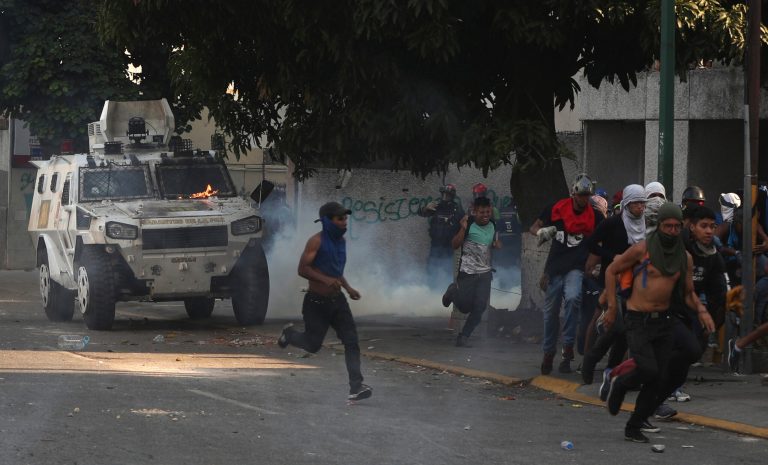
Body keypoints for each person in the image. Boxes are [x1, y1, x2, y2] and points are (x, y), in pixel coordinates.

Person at [601, 202, 712, 443]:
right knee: (648, 369)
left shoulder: (684, 258)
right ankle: (620, 384)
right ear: (659, 226)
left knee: (658, 377)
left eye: (676, 226)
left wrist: (702, 311)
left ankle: (633, 426)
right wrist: (611, 307)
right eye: (667, 226)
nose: (672, 231)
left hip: (664, 321)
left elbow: (688, 293)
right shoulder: (642, 250)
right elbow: (611, 271)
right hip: (638, 319)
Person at [277, 202, 372, 401]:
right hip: (316, 303)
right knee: (312, 345)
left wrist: (348, 287)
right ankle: (289, 334)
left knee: (351, 341)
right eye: (340, 219)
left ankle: (356, 386)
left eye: (345, 218)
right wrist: (326, 280)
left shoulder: (341, 242)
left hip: (338, 301)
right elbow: (302, 269)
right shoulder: (316, 242)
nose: (344, 222)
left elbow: (336, 271)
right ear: (328, 221)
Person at [530, 173, 601, 374]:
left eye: (588, 196)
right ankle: (548, 352)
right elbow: (534, 227)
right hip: (555, 267)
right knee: (550, 312)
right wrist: (541, 233)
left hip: (577, 267)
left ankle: (568, 346)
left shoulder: (595, 216)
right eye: (581, 195)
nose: (584, 200)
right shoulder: (556, 209)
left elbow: (604, 238)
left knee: (573, 298)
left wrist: (595, 261)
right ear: (574, 193)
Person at [581, 184, 647, 386]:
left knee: (627, 329)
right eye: (636, 203)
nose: (640, 208)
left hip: (636, 283)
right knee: (617, 326)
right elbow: (591, 243)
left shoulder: (646, 225)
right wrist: (612, 257)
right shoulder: (613, 223)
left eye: (642, 203)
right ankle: (591, 359)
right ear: (627, 204)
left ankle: (611, 369)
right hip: (613, 279)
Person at [442, 197, 501, 347]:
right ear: (475, 211)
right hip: (467, 273)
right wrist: (462, 228)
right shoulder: (467, 224)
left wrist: (496, 244)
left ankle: (464, 336)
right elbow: (455, 245)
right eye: (482, 212)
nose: (486, 215)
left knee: (480, 307)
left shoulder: (493, 224)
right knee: (464, 307)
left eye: (488, 211)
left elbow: (492, 242)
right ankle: (452, 291)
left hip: (485, 274)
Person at [418, 184, 465, 287]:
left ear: (452, 196)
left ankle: (445, 291)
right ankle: (430, 290)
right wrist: (426, 208)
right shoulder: (436, 206)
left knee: (447, 271)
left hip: (449, 247)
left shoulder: (456, 209)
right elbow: (421, 213)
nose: (445, 197)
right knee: (431, 269)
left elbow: (464, 224)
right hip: (435, 245)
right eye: (443, 194)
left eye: (447, 195)